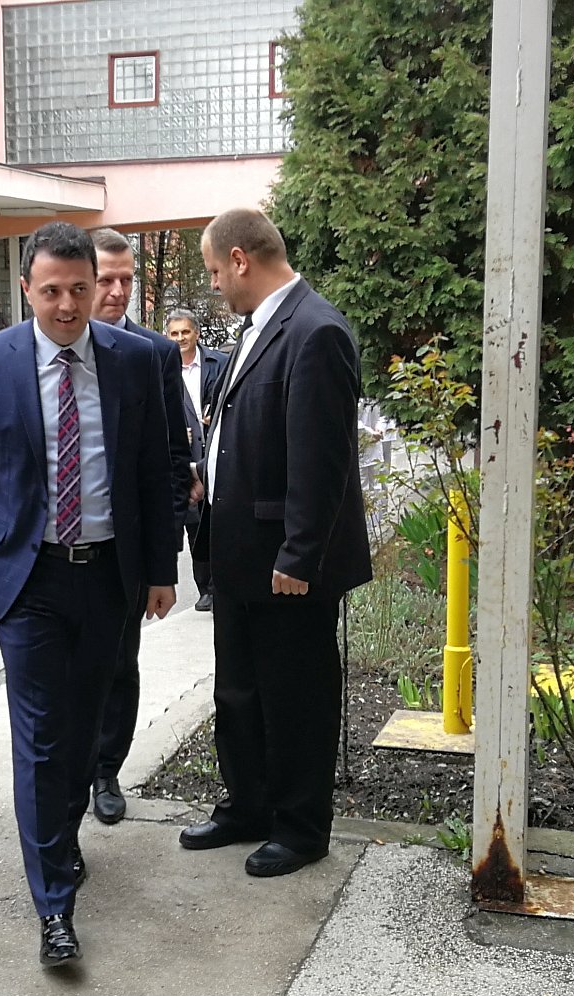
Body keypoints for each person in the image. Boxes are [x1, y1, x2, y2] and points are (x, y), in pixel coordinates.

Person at [0, 222, 177, 966]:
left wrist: (161, 568)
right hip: (30, 578)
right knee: (42, 738)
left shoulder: (136, 361)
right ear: (26, 290)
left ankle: (60, 833)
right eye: (52, 292)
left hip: (108, 574)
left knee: (84, 732)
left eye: (80, 288)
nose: (69, 305)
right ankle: (53, 905)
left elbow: (155, 471)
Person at [181, 208, 372, 880]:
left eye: (214, 272)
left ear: (240, 260)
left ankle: (300, 828)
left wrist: (300, 554)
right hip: (239, 555)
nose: (214, 285)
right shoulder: (258, 328)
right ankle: (248, 806)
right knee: (239, 695)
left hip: (287, 564)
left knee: (295, 698)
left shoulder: (316, 330)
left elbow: (322, 459)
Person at [87, 228, 194, 827]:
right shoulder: (43, 348)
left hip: (125, 548)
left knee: (119, 663)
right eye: (106, 279)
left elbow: (171, 460)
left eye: (127, 279)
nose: (118, 290)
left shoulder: (154, 353)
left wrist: (163, 558)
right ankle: (68, 770)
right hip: (60, 544)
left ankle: (107, 770)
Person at [164, 309, 229, 611]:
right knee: (195, 525)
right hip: (184, 460)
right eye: (174, 334)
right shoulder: (160, 367)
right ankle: (206, 589)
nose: (180, 338)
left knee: (221, 522)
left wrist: (215, 419)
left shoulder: (220, 363)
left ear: (197, 333)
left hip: (217, 455)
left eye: (185, 332)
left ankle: (223, 584)